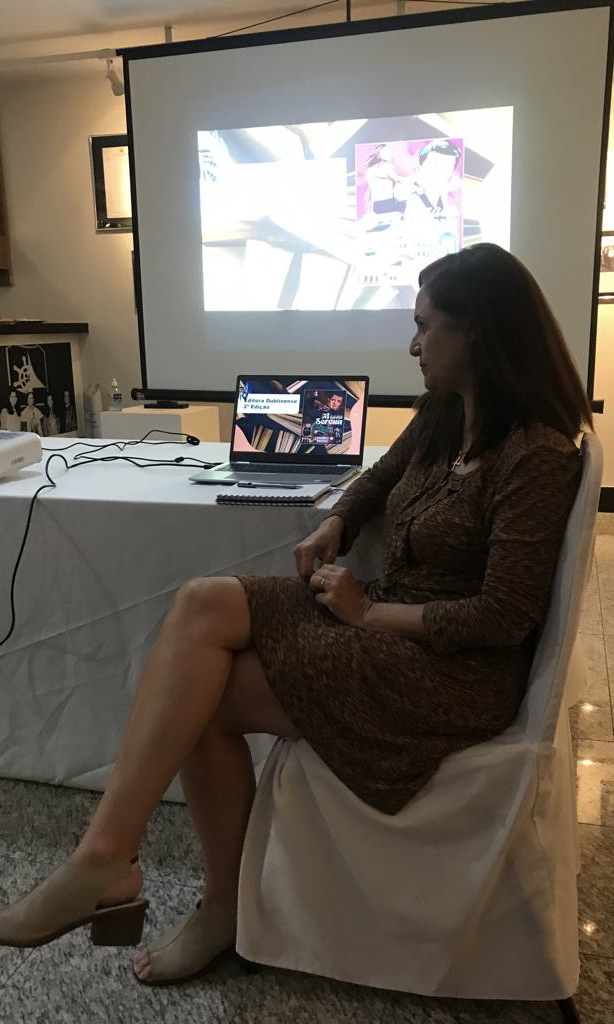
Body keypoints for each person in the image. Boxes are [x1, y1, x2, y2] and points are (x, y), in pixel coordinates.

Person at [0, 243, 591, 988]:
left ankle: (202, 900)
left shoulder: (535, 456)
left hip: (450, 675)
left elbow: (503, 617)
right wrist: (337, 522)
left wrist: (368, 614)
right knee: (202, 601)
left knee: (205, 695)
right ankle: (106, 856)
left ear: (478, 331)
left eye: (425, 326)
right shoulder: (448, 415)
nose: (412, 344)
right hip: (392, 628)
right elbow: (378, 478)